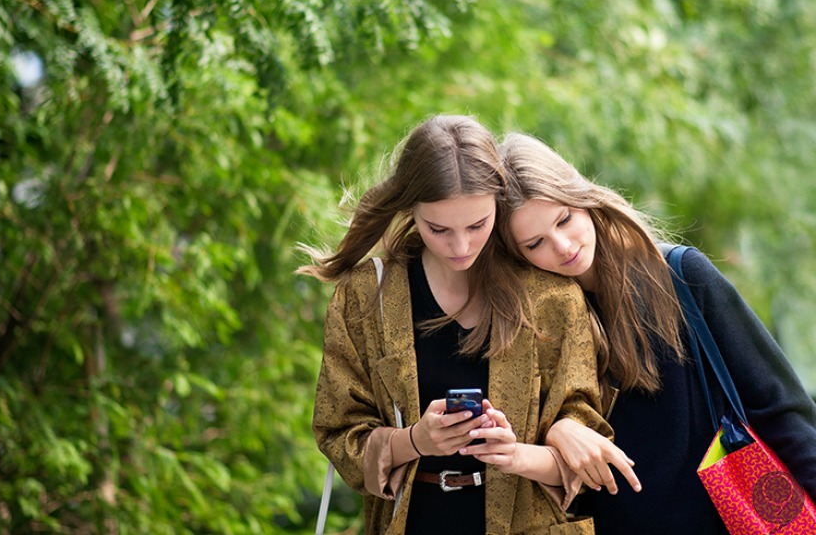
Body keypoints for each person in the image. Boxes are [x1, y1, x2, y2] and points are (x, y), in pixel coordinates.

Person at [298, 115, 610, 534]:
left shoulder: (551, 298)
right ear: (410, 210)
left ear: (499, 206)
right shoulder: (365, 296)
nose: (460, 246)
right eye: (439, 229)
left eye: (477, 225)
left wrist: (515, 452)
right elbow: (338, 429)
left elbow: (585, 443)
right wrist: (414, 441)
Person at [494, 132, 816, 534]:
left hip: (729, 519)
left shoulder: (680, 276)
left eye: (565, 219)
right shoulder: (532, 326)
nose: (562, 246)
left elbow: (779, 407)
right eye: (535, 242)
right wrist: (561, 428)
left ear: (583, 199)